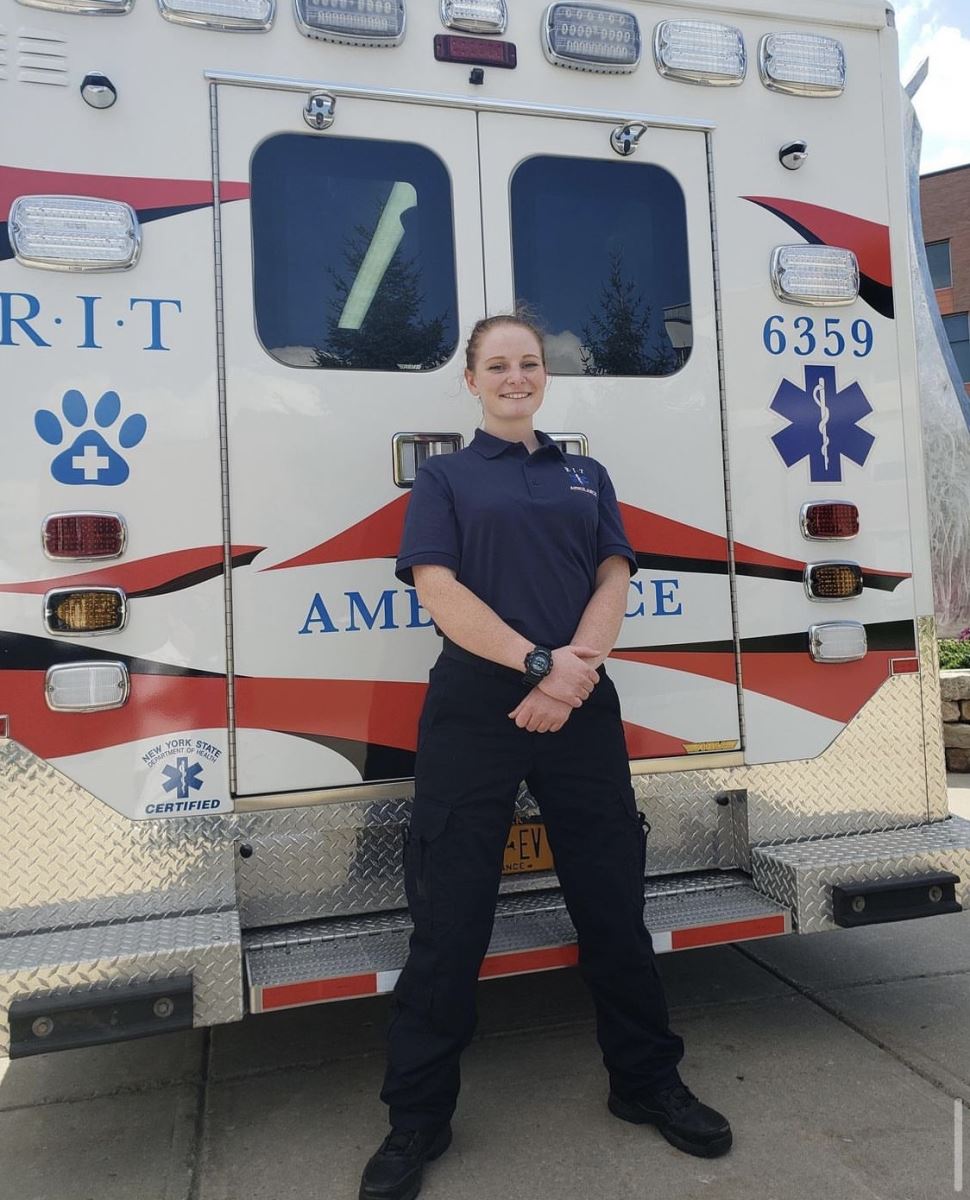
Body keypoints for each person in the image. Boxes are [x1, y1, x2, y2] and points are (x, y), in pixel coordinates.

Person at [359, 314, 731, 1200]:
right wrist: (537, 664)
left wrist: (568, 679)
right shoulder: (444, 478)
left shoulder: (584, 472)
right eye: (499, 365)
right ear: (472, 381)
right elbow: (437, 589)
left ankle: (646, 1085)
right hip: (476, 707)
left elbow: (614, 576)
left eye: (529, 363)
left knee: (611, 904)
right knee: (450, 923)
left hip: (578, 702)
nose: (516, 377)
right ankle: (416, 1122)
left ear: (543, 376)